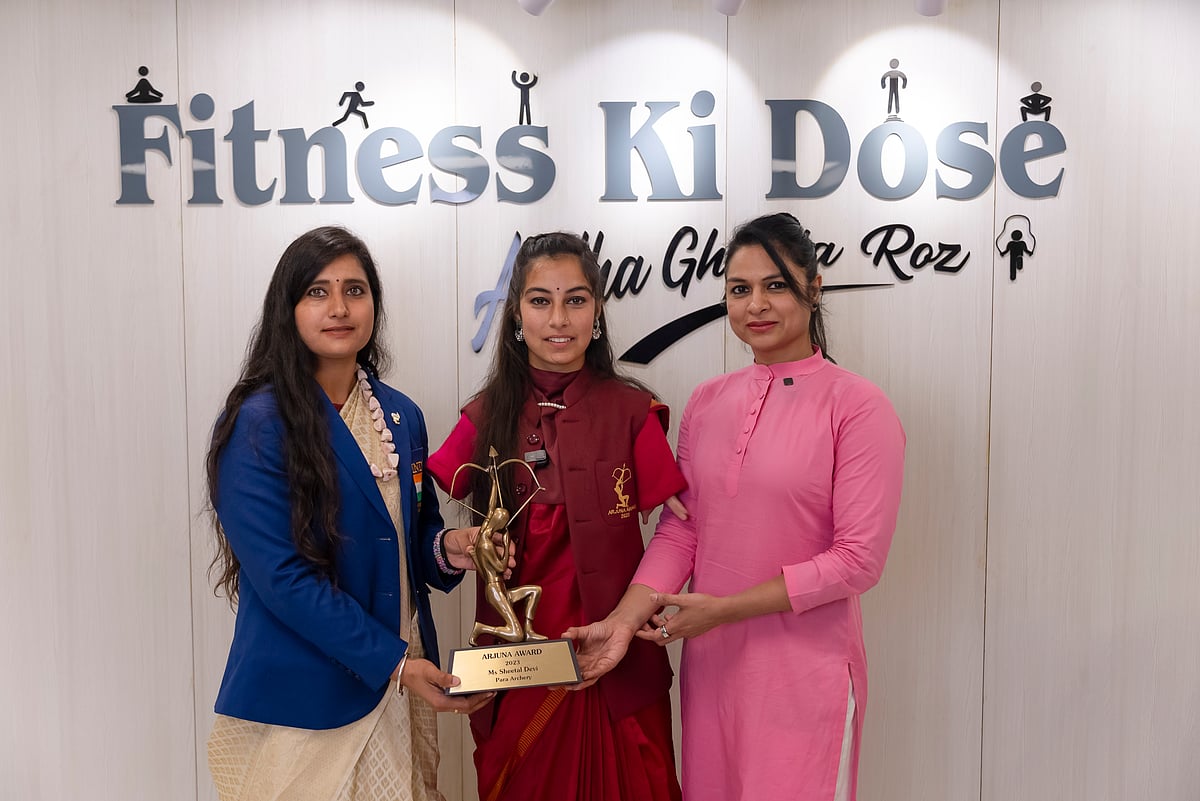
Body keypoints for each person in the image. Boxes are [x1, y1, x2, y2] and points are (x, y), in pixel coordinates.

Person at [566, 213, 906, 801]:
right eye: (739, 289)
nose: (756, 305)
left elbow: (857, 561)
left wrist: (722, 610)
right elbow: (682, 532)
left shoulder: (857, 406)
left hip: (805, 679)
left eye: (775, 285)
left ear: (814, 287)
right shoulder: (706, 401)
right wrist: (620, 625)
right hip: (714, 672)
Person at [204, 225, 494, 801]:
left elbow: (411, 539)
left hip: (401, 682)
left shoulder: (400, 415)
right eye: (318, 291)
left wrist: (448, 549)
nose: (338, 307)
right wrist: (394, 663)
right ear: (288, 308)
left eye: (354, 291)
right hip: (309, 696)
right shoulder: (259, 424)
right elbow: (283, 579)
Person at [427, 231, 687, 801]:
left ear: (597, 310)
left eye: (576, 299)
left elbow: (682, 529)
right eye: (540, 301)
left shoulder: (633, 412)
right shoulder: (486, 414)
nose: (559, 319)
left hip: (616, 662)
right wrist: (465, 542)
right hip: (519, 669)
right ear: (516, 314)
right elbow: (422, 512)